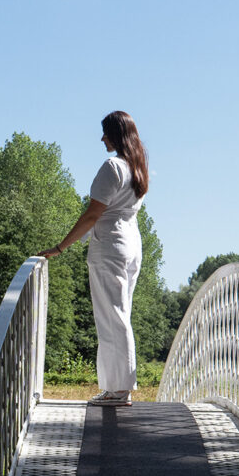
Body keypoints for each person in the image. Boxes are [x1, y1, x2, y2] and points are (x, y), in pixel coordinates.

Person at [41, 111, 148, 407]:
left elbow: (92, 215)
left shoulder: (113, 166)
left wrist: (60, 247)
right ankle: (116, 386)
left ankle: (119, 389)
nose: (102, 138)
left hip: (110, 245)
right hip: (131, 242)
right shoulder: (136, 166)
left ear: (116, 134)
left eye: (105, 133)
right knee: (119, 313)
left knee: (111, 316)